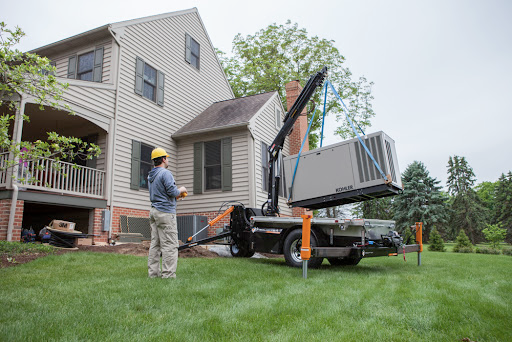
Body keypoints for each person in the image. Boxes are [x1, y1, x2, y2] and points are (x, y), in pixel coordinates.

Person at [147, 147, 187, 279]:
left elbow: (162, 194)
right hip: (165, 213)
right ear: (163, 159)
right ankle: (168, 275)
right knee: (169, 245)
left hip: (154, 212)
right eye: (167, 158)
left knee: (155, 244)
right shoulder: (166, 173)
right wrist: (181, 189)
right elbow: (172, 192)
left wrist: (177, 197)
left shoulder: (151, 175)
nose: (168, 160)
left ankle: (153, 274)